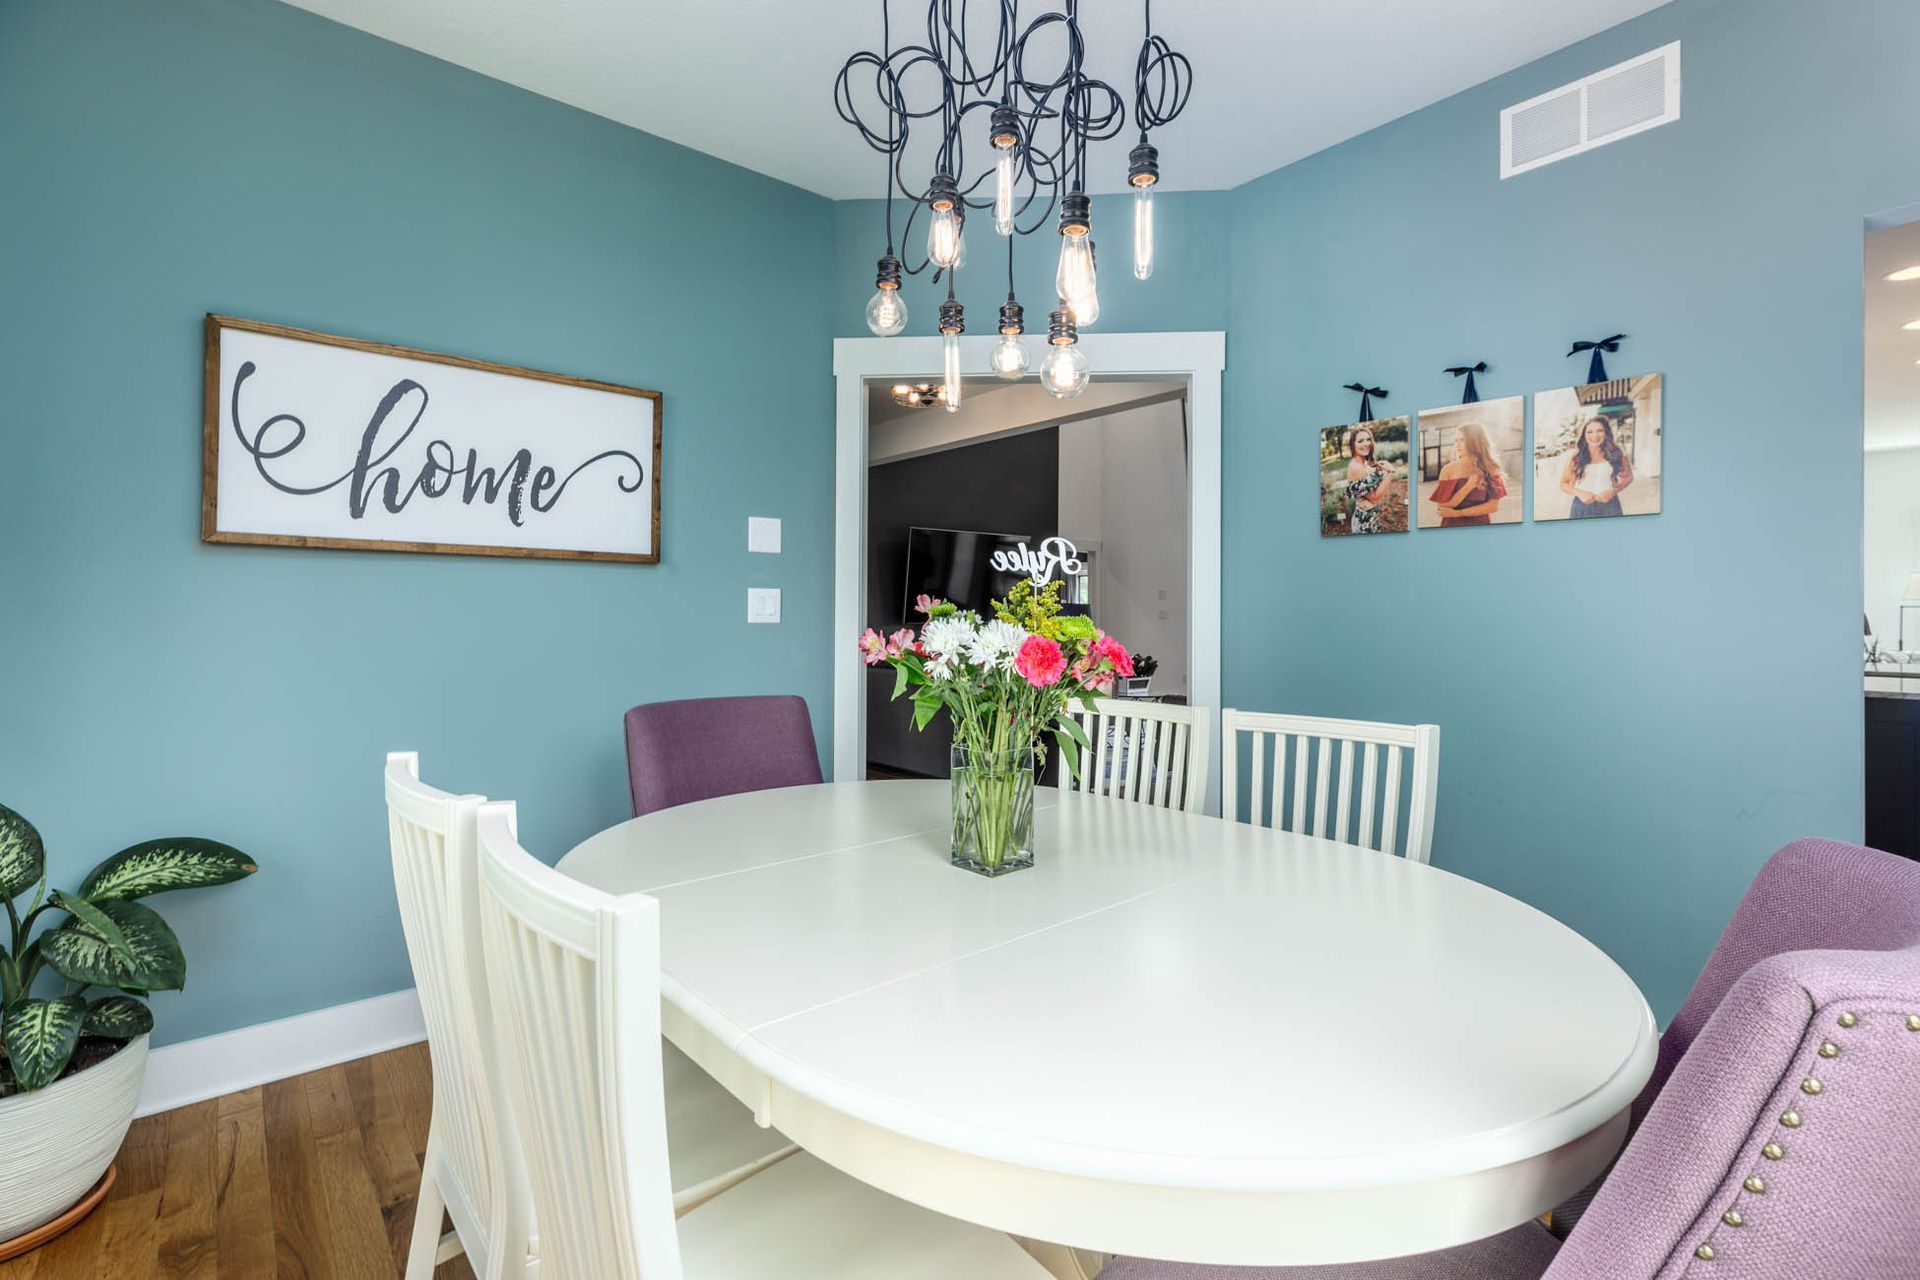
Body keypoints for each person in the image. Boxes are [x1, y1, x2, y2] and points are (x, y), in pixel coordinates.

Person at [1429, 423, 1508, 526]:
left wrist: (1458, 513)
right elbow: (1442, 507)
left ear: (1475, 442)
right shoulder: (1448, 469)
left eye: (1462, 440)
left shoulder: (1491, 468)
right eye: (1456, 440)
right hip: (1451, 529)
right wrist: (1468, 486)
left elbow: (1492, 506)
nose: (1457, 444)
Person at [1559, 415, 1633, 518]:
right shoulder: (1576, 457)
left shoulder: (1617, 453)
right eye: (1590, 432)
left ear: (1606, 433)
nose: (1595, 435)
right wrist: (1579, 493)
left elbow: (1629, 477)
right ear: (1584, 435)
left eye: (1600, 431)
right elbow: (1563, 483)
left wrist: (1613, 491)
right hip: (1581, 507)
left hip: (1610, 506)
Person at [1343, 425, 1395, 533]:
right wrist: (1391, 473)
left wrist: (1377, 470)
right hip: (1364, 521)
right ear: (1353, 445)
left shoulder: (1363, 463)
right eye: (1360, 441)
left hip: (1369, 516)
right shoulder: (1356, 467)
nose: (1366, 443)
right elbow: (1374, 497)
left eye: (1368, 439)